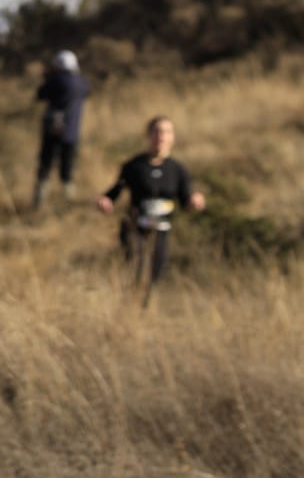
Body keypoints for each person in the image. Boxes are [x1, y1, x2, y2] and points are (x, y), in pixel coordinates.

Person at [97, 116, 205, 303]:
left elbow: (186, 200)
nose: (161, 136)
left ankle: (142, 311)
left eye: (166, 132)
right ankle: (128, 305)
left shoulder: (177, 169)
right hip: (134, 228)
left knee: (154, 275)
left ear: (173, 137)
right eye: (157, 131)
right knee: (136, 269)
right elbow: (114, 192)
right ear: (148, 135)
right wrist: (105, 201)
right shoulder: (134, 166)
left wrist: (195, 202)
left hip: (161, 229)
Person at [32, 49, 91, 209]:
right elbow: (87, 92)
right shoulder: (82, 82)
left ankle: (39, 202)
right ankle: (68, 202)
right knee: (67, 168)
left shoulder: (55, 80)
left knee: (46, 166)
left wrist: (48, 78)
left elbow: (40, 95)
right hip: (72, 131)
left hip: (53, 130)